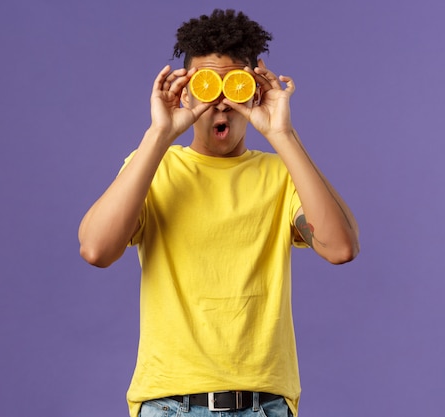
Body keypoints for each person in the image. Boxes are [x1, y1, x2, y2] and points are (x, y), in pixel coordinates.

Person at [78, 8, 360, 417]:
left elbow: (340, 247)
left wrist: (283, 134)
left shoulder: (280, 176)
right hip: (169, 402)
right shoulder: (154, 169)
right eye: (209, 87)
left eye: (236, 87)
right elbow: (95, 249)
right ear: (187, 92)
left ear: (254, 92)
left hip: (264, 404)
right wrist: (158, 134)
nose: (222, 105)